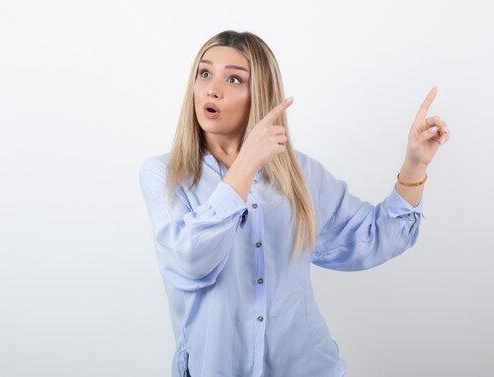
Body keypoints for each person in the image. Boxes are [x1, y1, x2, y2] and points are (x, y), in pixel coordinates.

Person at [138, 30, 449, 377]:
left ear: (260, 95)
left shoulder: (300, 173)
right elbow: (190, 261)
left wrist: (415, 163)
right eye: (204, 73)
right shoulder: (164, 175)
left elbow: (374, 237)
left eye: (234, 78)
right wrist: (244, 167)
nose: (212, 88)